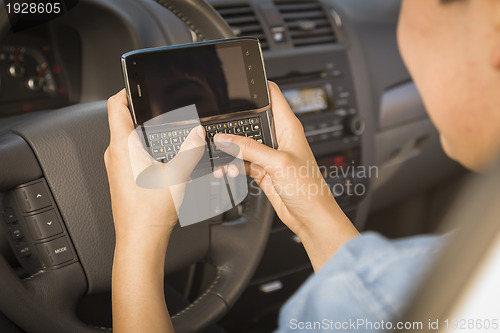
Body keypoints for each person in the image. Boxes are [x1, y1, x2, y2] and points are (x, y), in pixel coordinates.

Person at [104, 0, 500, 331]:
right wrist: (313, 212)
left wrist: (140, 239)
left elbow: (373, 301)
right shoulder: (455, 270)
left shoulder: (374, 298)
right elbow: (372, 298)